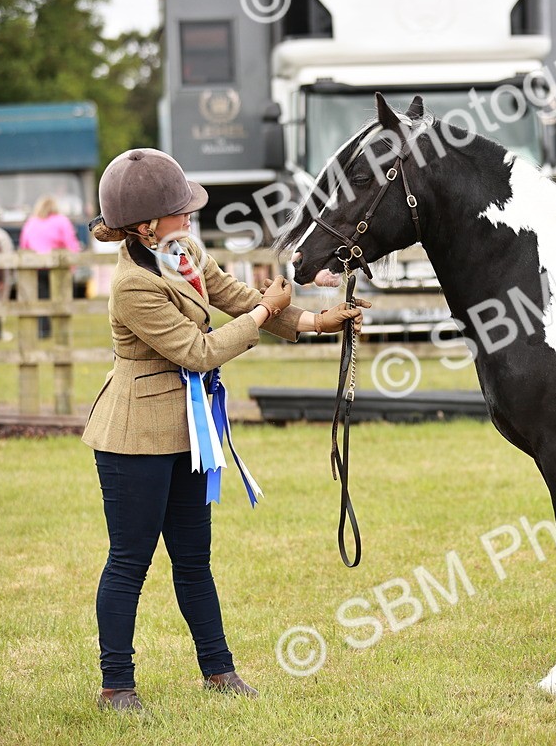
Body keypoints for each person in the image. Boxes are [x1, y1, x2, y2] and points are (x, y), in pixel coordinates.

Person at [82, 148, 369, 712]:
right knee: (129, 561)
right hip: (133, 439)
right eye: (180, 211)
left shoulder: (181, 250)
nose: (190, 217)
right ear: (145, 225)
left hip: (187, 433)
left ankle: (219, 670)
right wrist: (265, 316)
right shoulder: (132, 287)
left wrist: (312, 321)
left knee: (195, 558)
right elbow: (198, 351)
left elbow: (237, 297)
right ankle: (116, 684)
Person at [19, 195, 81, 338]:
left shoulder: (31, 222)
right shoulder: (62, 221)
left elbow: (24, 245)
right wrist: (73, 265)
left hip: (36, 267)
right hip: (58, 267)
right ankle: (61, 331)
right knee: (60, 299)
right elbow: (71, 243)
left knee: (42, 299)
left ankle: (43, 331)